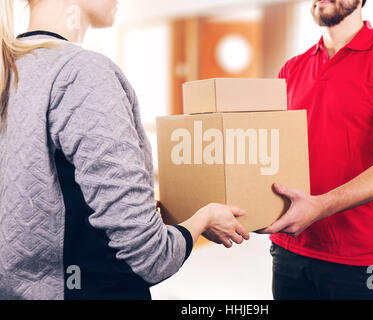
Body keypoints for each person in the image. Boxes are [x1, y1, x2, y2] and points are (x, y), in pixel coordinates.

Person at [0, 0, 249, 300]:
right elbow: (151, 256)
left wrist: (131, 210)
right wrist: (204, 218)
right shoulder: (82, 73)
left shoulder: (11, 70)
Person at [259, 0, 373, 300]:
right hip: (288, 249)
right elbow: (273, 154)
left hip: (360, 260)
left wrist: (319, 207)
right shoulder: (292, 68)